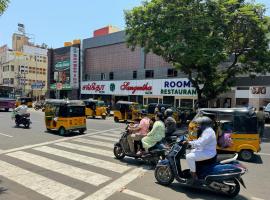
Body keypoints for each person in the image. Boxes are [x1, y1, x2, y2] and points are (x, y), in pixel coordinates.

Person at [184, 116, 217, 183]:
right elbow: (200, 140)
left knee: (189, 157)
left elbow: (200, 143)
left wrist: (189, 143)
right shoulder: (207, 130)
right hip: (206, 150)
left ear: (205, 124)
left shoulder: (208, 132)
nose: (199, 125)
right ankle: (197, 170)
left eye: (200, 124)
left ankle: (194, 176)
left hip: (208, 152)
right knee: (192, 151)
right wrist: (191, 141)